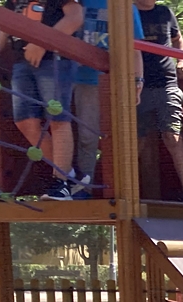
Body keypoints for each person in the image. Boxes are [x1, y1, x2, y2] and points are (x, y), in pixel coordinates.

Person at [0, 0, 84, 200]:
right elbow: (4, 29)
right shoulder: (12, 2)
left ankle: (61, 183)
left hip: (54, 58)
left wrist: (43, 43)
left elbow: (75, 17)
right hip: (22, 62)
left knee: (57, 118)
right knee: (25, 121)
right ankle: (70, 176)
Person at [70, 0, 145, 199]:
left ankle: (86, 189)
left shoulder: (125, 7)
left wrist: (137, 80)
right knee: (65, 131)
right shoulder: (75, 3)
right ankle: (65, 184)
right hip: (68, 76)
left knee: (91, 136)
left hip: (103, 81)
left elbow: (135, 49)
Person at [134, 0, 183, 202]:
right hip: (138, 85)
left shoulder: (164, 12)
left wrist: (182, 60)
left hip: (167, 83)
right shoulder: (128, 12)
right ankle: (128, 190)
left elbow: (178, 39)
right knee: (137, 139)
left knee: (172, 136)